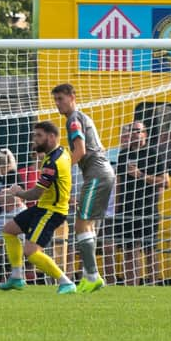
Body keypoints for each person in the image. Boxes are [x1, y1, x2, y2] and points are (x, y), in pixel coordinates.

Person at [0, 121, 77, 294]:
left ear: (52, 137)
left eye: (39, 136)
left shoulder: (52, 163)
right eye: (34, 135)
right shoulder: (61, 152)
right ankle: (16, 278)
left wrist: (18, 192)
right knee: (9, 230)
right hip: (44, 207)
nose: (35, 140)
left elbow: (36, 194)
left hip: (52, 211)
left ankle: (66, 282)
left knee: (31, 252)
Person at [52, 83, 115, 292]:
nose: (57, 104)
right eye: (55, 100)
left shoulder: (74, 119)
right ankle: (90, 276)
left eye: (60, 99)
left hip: (96, 173)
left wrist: (60, 168)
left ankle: (93, 275)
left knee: (81, 224)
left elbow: (80, 150)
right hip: (102, 172)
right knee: (87, 225)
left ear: (72, 97)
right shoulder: (83, 118)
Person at [115, 121, 169, 285]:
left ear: (145, 134)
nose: (134, 134)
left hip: (147, 209)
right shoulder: (123, 154)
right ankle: (132, 286)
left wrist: (140, 175)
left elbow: (165, 182)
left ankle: (152, 285)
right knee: (130, 250)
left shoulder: (154, 153)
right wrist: (117, 206)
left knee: (149, 250)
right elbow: (119, 182)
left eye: (138, 131)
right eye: (131, 131)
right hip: (126, 208)